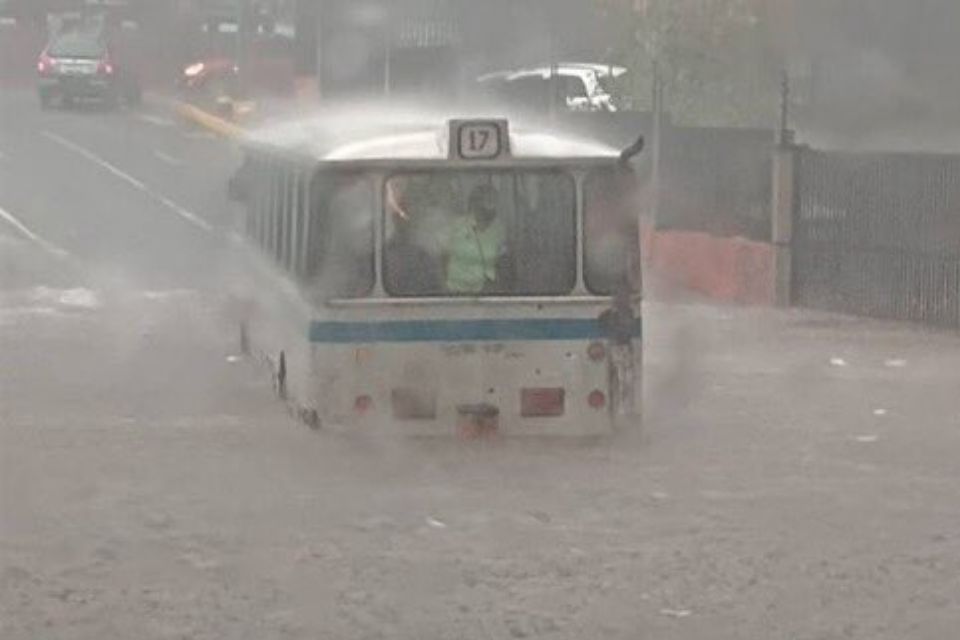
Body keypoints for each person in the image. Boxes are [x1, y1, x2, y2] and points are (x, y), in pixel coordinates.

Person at [444, 184, 507, 294]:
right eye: (487, 201)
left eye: (493, 201)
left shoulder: (499, 229)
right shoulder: (457, 226)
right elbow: (440, 258)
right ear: (474, 203)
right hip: (455, 293)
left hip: (487, 293)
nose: (490, 206)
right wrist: (443, 290)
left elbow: (503, 262)